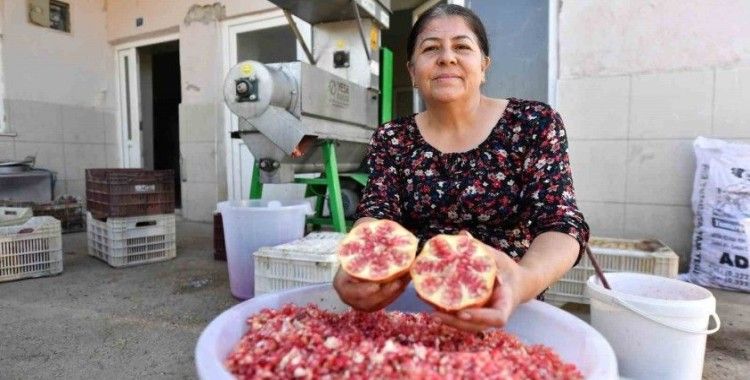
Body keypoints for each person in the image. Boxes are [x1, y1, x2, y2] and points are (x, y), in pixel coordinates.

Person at [333, 4, 589, 332]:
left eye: (462, 46)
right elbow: (377, 214)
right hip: (413, 308)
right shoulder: (392, 137)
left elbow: (560, 223)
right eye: (430, 48)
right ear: (412, 71)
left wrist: (524, 280)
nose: (447, 57)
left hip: (508, 307)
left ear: (484, 66)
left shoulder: (533, 123)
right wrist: (358, 262)